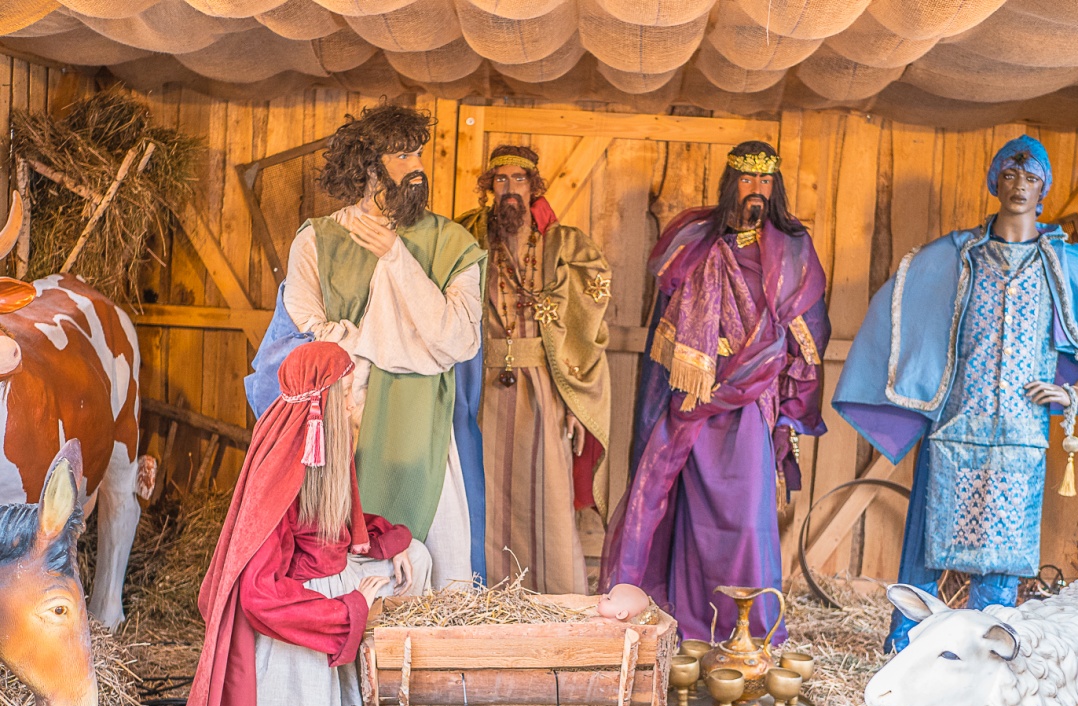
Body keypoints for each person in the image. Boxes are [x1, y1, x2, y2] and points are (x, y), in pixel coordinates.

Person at [834, 135, 1078, 653]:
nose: (1019, 186)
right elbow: (909, 310)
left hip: (1023, 434)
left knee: (1005, 557)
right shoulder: (959, 257)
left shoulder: (1064, 268)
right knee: (927, 546)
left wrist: (1075, 392)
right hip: (955, 424)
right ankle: (905, 647)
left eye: (1031, 178)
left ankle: (981, 656)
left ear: (1044, 187)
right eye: (1010, 175)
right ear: (994, 180)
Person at [155, 341, 432, 706]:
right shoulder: (283, 471)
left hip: (337, 577)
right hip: (297, 612)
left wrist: (393, 542)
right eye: (347, 394)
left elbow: (343, 529)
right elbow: (259, 596)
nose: (354, 405)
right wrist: (348, 609)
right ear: (320, 404)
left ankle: (393, 701)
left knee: (418, 556)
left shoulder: (331, 448)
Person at [244, 103, 487, 590]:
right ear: (368, 165)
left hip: (424, 426)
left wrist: (396, 258)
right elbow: (305, 325)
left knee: (437, 559)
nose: (417, 166)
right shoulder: (318, 239)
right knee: (341, 561)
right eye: (401, 155)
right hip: (343, 423)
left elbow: (458, 339)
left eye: (418, 152)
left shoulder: (453, 242)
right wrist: (391, 347)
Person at [600, 141, 830, 644]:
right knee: (691, 524)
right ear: (732, 183)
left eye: (766, 182)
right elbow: (665, 328)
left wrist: (791, 412)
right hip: (692, 407)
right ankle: (690, 634)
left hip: (750, 406)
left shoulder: (793, 250)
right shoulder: (695, 242)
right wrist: (667, 399)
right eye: (748, 180)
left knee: (746, 526)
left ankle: (747, 638)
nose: (757, 192)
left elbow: (806, 337)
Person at [457, 145, 612, 594]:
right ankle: (483, 598)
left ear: (534, 187)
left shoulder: (564, 247)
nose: (509, 189)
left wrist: (575, 404)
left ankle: (551, 597)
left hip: (543, 386)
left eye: (518, 180)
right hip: (480, 387)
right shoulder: (468, 237)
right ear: (490, 189)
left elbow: (583, 329)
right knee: (481, 491)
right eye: (500, 180)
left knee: (545, 494)